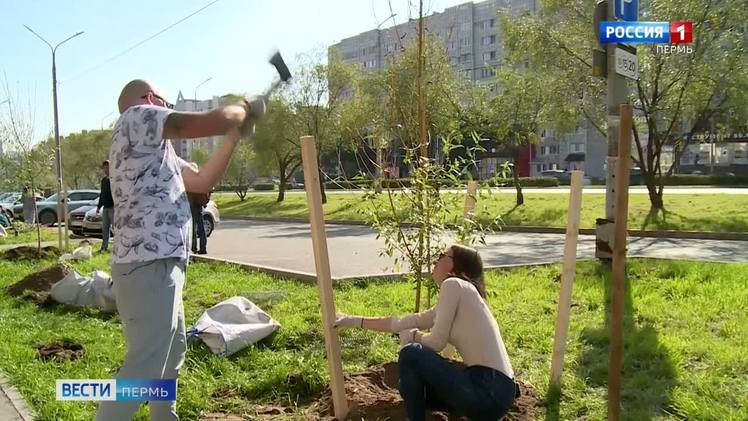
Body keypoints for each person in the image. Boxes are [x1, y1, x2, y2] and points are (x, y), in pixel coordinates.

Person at [95, 79, 266, 421]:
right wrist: (240, 111)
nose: (167, 103)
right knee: (145, 364)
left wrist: (232, 137)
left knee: (171, 354)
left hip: (162, 264)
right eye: (163, 98)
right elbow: (195, 124)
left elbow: (202, 181)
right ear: (149, 98)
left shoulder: (159, 152)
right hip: (148, 264)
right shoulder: (136, 116)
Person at [335, 244, 517, 421]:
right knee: (407, 386)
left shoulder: (454, 285)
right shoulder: (463, 294)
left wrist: (413, 337)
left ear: (456, 266)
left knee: (411, 353)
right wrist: (351, 320)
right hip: (495, 393)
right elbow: (399, 323)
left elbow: (437, 342)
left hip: (488, 389)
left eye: (441, 256)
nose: (435, 261)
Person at [186, 167, 209, 255]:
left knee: (193, 229)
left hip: (192, 206)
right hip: (199, 206)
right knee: (201, 228)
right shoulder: (200, 180)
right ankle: (203, 248)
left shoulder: (190, 181)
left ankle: (194, 248)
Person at [96, 160, 115, 251]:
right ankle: (104, 247)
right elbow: (102, 194)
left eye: (107, 167)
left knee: (115, 228)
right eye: (104, 167)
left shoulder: (115, 179)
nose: (106, 169)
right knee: (105, 228)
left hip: (113, 207)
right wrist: (98, 206)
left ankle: (117, 248)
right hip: (106, 208)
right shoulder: (104, 180)